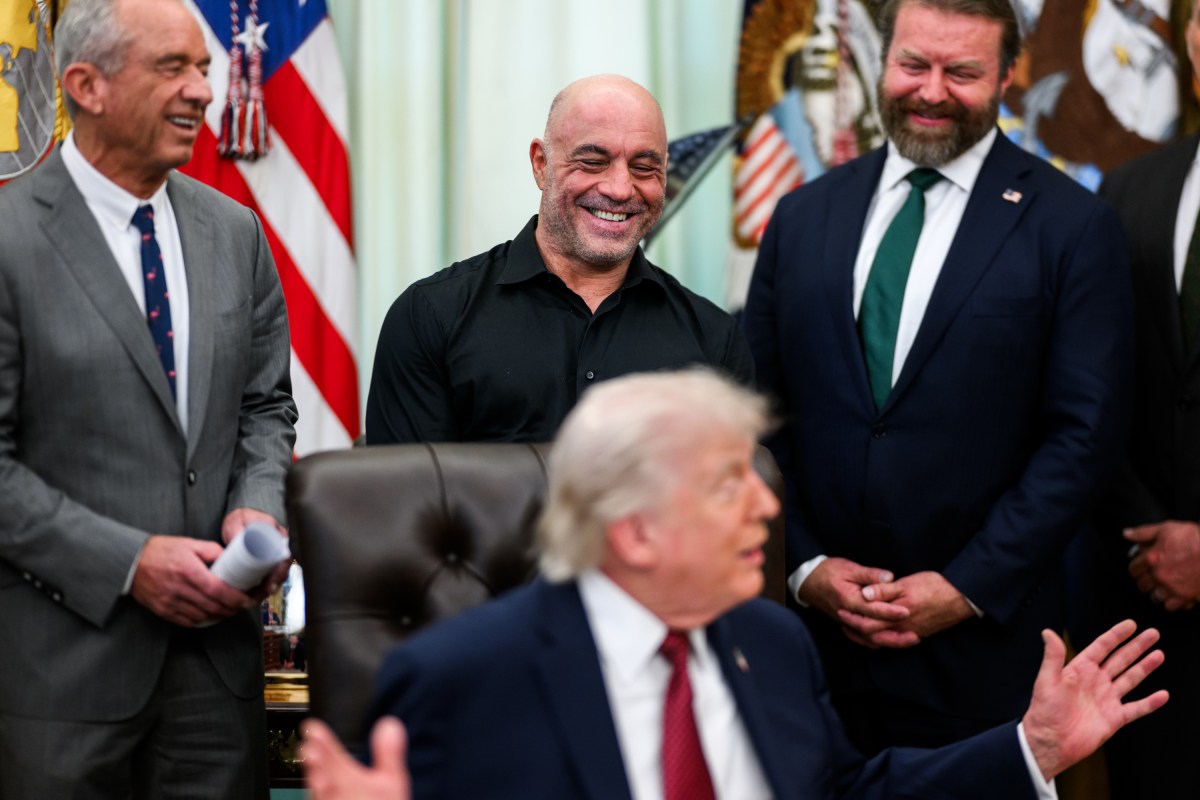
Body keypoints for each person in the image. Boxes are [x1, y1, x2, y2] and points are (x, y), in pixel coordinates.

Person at [300, 369, 1164, 800]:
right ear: (634, 531)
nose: (766, 505)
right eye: (727, 484)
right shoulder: (466, 678)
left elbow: (843, 796)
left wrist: (1030, 750)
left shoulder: (771, 642)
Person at [741, 0, 1135, 754]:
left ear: (1008, 77)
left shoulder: (1074, 227)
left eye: (962, 73)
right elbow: (758, 415)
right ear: (882, 60)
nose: (930, 91)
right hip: (809, 656)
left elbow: (1083, 438)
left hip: (984, 662)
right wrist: (808, 565)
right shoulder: (799, 216)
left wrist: (965, 589)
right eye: (913, 64)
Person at [0, 0, 296, 796]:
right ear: (86, 86)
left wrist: (258, 505)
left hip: (217, 686)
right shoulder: (8, 240)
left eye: (204, 66)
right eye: (174, 67)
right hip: (61, 686)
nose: (205, 90)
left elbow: (266, 408)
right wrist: (128, 563)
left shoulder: (237, 232)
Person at [364, 74, 753, 445]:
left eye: (644, 168)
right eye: (593, 161)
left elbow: (732, 504)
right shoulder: (431, 318)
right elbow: (407, 503)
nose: (620, 189)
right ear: (541, 164)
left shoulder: (714, 341)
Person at [1074, 2, 1200, 795]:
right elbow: (1094, 385)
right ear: (1187, 39)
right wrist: (1150, 534)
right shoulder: (1126, 191)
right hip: (1146, 619)